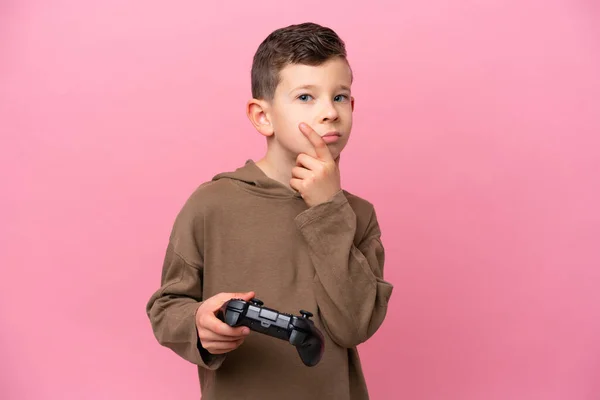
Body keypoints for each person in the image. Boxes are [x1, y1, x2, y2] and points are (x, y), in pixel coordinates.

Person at [146, 21, 394, 400]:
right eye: (306, 97)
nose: (329, 112)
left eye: (340, 97)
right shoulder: (212, 204)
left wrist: (328, 209)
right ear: (263, 116)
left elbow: (353, 326)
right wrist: (196, 323)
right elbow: (166, 307)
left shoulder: (357, 215)